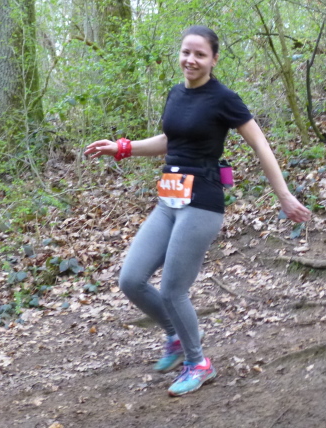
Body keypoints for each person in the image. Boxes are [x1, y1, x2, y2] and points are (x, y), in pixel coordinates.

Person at [84, 25, 311, 397]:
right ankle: (175, 336)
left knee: (173, 289)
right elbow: (169, 140)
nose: (191, 60)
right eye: (186, 52)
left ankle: (198, 363)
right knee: (131, 280)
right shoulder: (176, 94)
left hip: (202, 202)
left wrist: (283, 196)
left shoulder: (224, 99)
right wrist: (122, 147)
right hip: (168, 200)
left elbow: (261, 145)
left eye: (200, 54)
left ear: (214, 59)